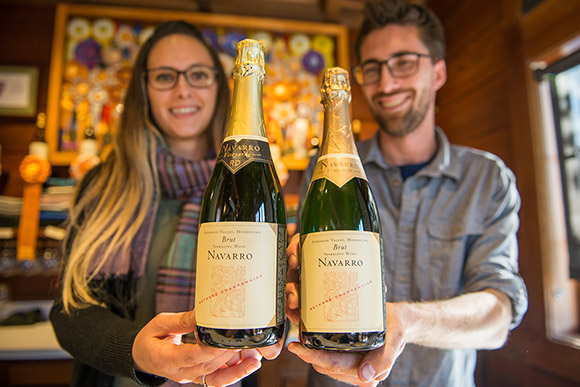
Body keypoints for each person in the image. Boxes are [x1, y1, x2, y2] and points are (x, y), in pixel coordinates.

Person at [285, 1, 528, 386]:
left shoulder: (486, 178)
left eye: (404, 62)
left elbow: (497, 316)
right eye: (373, 68)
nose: (386, 84)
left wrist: (407, 321)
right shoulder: (327, 171)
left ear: (438, 71)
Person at [50, 21, 281, 387]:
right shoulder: (103, 185)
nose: (183, 90)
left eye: (199, 75)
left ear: (222, 88)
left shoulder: (250, 188)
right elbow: (69, 313)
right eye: (164, 77)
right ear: (144, 89)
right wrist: (134, 350)